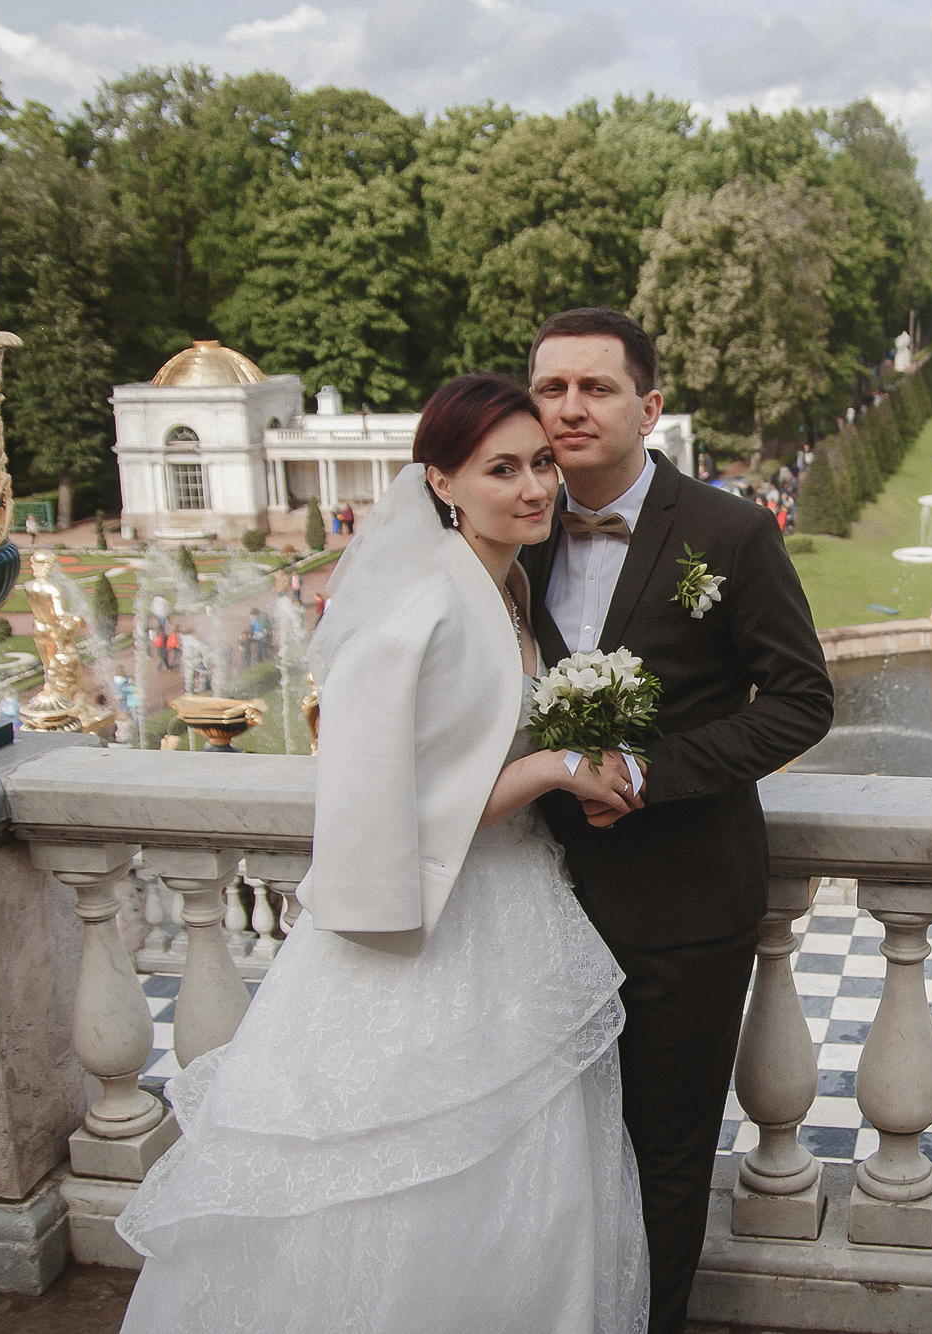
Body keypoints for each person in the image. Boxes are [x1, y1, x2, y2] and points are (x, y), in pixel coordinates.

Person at [117, 375, 649, 1333]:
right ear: (442, 481)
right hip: (423, 935)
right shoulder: (418, 605)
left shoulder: (506, 583)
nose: (536, 487)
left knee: (532, 1185)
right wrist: (551, 769)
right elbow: (379, 808)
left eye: (541, 463)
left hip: (515, 916)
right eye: (502, 470)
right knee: (396, 1182)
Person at [521, 309, 834, 1334]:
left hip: (684, 904)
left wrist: (650, 772)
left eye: (596, 387)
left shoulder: (729, 533)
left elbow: (801, 700)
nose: (570, 407)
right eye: (551, 388)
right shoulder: (506, 528)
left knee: (663, 1154)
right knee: (550, 1149)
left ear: (647, 407)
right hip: (531, 898)